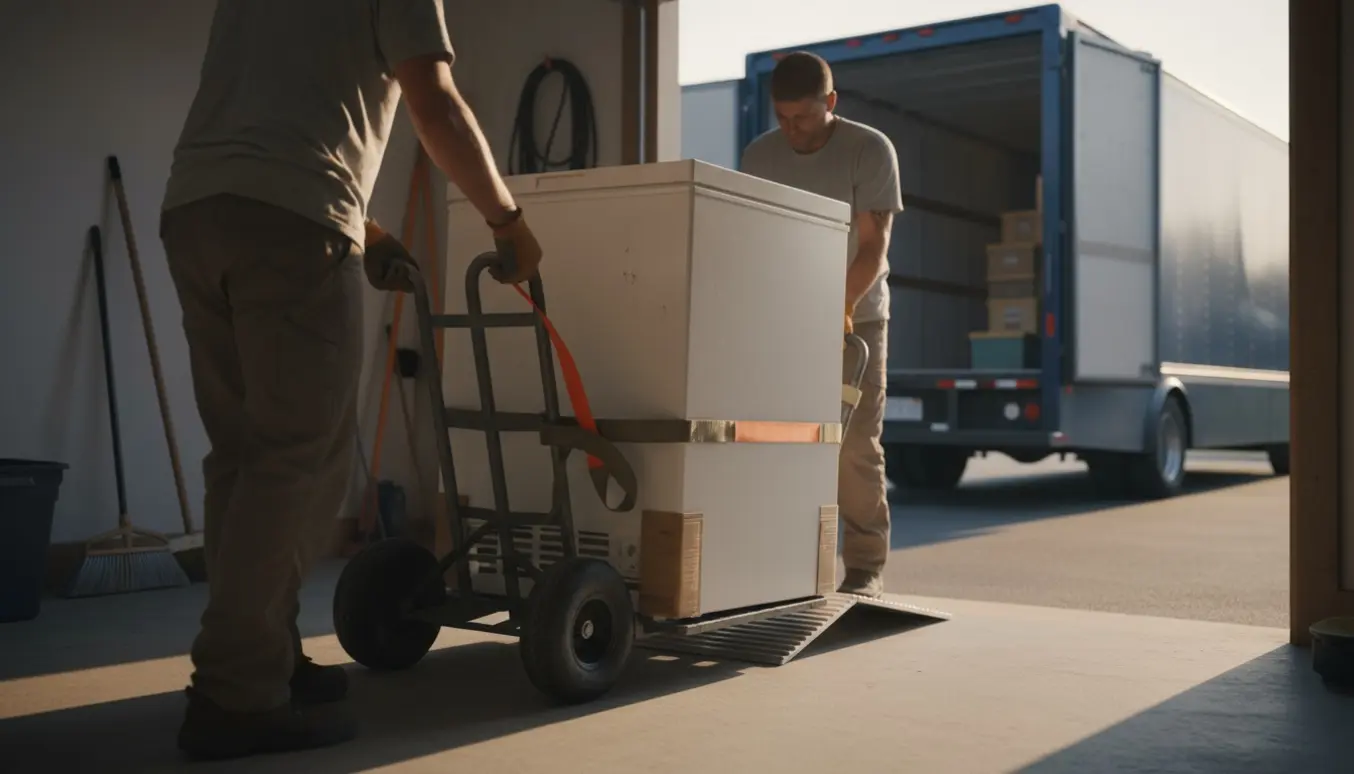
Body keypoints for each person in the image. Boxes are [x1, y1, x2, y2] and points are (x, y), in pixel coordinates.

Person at [158, 0, 540, 761]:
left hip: (196, 209)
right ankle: (238, 694)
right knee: (300, 462)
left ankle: (260, 655)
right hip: (289, 221)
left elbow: (265, 111)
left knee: (243, 457)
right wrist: (506, 220)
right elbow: (434, 102)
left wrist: (358, 225)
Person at [740, 52, 902, 599]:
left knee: (854, 445)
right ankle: (788, 561)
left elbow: (873, 248)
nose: (791, 130)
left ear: (830, 103)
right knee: (782, 440)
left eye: (803, 118)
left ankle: (864, 565)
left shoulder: (869, 149)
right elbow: (754, 242)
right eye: (782, 118)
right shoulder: (759, 156)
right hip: (784, 323)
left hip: (856, 322)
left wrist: (836, 307)